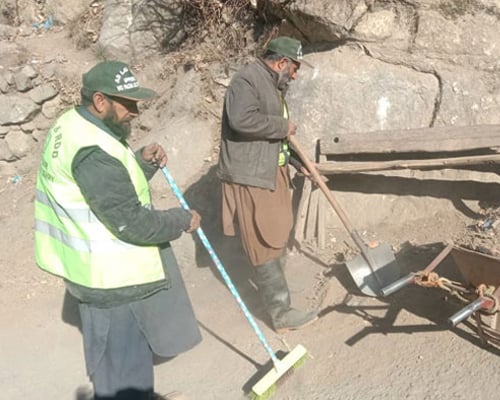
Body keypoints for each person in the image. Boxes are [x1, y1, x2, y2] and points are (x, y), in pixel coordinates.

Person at [34, 60, 202, 400]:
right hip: (112, 281)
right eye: (127, 104)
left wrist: (139, 161)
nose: (135, 112)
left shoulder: (72, 126)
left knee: (120, 375)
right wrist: (180, 220)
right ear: (100, 101)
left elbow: (103, 190)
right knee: (124, 381)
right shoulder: (93, 152)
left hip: (97, 275)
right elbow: (130, 221)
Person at [218, 36, 318, 333]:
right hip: (251, 176)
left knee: (275, 234)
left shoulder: (272, 86)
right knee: (263, 240)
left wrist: (300, 166)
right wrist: (281, 126)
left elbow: (277, 142)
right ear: (282, 62)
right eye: (295, 68)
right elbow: (241, 120)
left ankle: (279, 298)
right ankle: (280, 313)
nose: (296, 76)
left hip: (269, 173)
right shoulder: (247, 80)